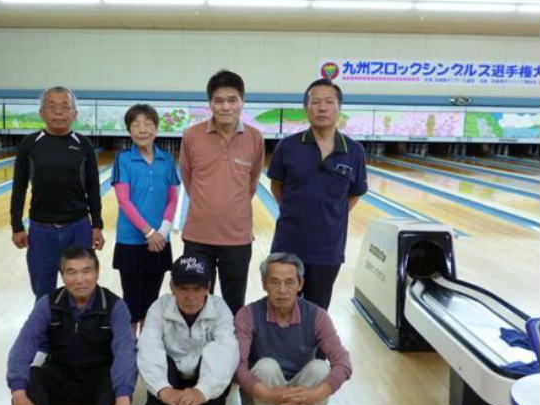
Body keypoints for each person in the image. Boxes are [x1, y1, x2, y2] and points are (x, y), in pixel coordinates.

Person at [7, 247, 136, 405]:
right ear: (62, 275)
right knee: (30, 379)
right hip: (60, 376)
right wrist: (17, 391)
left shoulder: (115, 306)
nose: (80, 280)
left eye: (86, 271)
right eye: (71, 272)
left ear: (97, 273)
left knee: (117, 385)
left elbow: (125, 353)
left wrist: (124, 397)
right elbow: (22, 347)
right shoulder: (48, 304)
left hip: (98, 381)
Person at [234, 253, 352, 405]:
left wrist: (314, 395)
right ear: (264, 284)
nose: (282, 290)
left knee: (320, 368)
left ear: (301, 284)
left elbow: (343, 364)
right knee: (266, 366)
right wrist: (265, 393)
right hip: (261, 398)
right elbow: (236, 365)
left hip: (302, 399)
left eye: (289, 282)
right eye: (275, 282)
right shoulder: (247, 315)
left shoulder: (317, 315)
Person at [267, 78, 367, 312]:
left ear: (339, 108)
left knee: (316, 313)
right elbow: (276, 185)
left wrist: (330, 214)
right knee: (280, 309)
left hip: (327, 250)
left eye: (329, 102)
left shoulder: (354, 151)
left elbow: (355, 193)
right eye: (316, 102)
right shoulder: (287, 146)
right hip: (287, 245)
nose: (322, 108)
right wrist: (296, 211)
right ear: (306, 108)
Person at [137, 255, 239, 405]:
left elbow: (226, 352)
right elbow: (148, 347)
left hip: (203, 374)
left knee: (216, 367)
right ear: (172, 287)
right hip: (171, 374)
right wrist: (163, 389)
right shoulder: (159, 307)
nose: (190, 296)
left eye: (197, 288)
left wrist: (202, 391)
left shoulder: (220, 309)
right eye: (183, 288)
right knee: (158, 368)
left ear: (208, 287)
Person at [179, 69, 265, 315]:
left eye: (232, 100)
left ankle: (231, 341)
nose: (226, 106)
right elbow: (188, 178)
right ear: (210, 103)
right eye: (219, 100)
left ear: (242, 101)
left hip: (237, 239)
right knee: (195, 304)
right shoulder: (192, 136)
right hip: (197, 237)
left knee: (234, 304)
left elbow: (252, 183)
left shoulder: (255, 138)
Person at [10, 86, 104, 298]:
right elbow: (19, 188)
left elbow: (93, 188)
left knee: (82, 290)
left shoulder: (83, 144)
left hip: (78, 227)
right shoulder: (29, 144)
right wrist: (16, 225)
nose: (59, 112)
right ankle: (48, 321)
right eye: (52, 107)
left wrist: (97, 225)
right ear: (42, 113)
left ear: (75, 113)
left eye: (65, 107)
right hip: (41, 230)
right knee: (43, 294)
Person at [111, 104, 180, 331]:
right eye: (136, 125)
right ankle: (130, 344)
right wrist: (149, 232)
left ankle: (148, 344)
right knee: (132, 299)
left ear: (156, 128)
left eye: (148, 124)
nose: (142, 129)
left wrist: (163, 232)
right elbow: (124, 201)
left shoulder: (167, 159)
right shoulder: (123, 159)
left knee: (152, 300)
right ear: (129, 130)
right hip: (131, 240)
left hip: (160, 240)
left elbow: (173, 199)